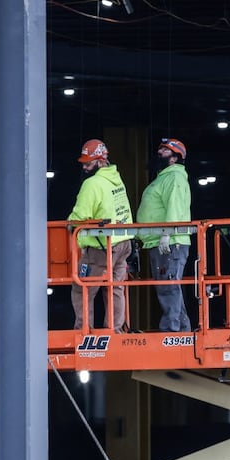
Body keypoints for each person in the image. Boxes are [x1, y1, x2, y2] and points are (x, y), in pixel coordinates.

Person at [68, 139, 135, 334]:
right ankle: (114, 330)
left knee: (83, 289)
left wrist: (70, 224)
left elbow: (79, 216)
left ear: (99, 161)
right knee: (115, 288)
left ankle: (83, 331)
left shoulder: (92, 184)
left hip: (101, 246)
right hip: (123, 242)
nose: (85, 167)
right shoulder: (116, 179)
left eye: (88, 163)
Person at [136, 138, 193, 333]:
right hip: (160, 241)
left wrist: (166, 234)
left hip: (170, 242)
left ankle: (172, 330)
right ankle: (181, 329)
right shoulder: (165, 177)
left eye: (165, 150)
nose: (159, 153)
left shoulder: (174, 177)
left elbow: (174, 207)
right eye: (159, 149)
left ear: (175, 158)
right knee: (169, 286)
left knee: (168, 286)